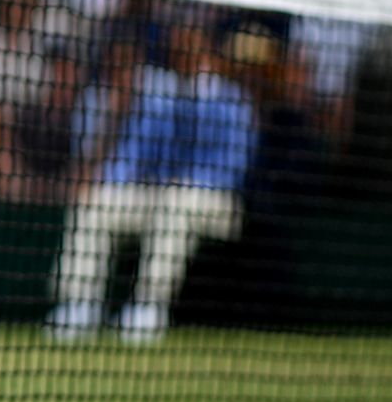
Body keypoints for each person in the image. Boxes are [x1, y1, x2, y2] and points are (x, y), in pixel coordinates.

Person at [47, 25, 258, 344]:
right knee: (96, 202)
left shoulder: (232, 102)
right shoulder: (158, 98)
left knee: (175, 204)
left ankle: (149, 306)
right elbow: (135, 155)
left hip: (215, 202)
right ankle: (79, 304)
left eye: (191, 46)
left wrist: (188, 182)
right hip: (156, 196)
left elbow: (233, 169)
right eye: (177, 48)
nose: (182, 54)